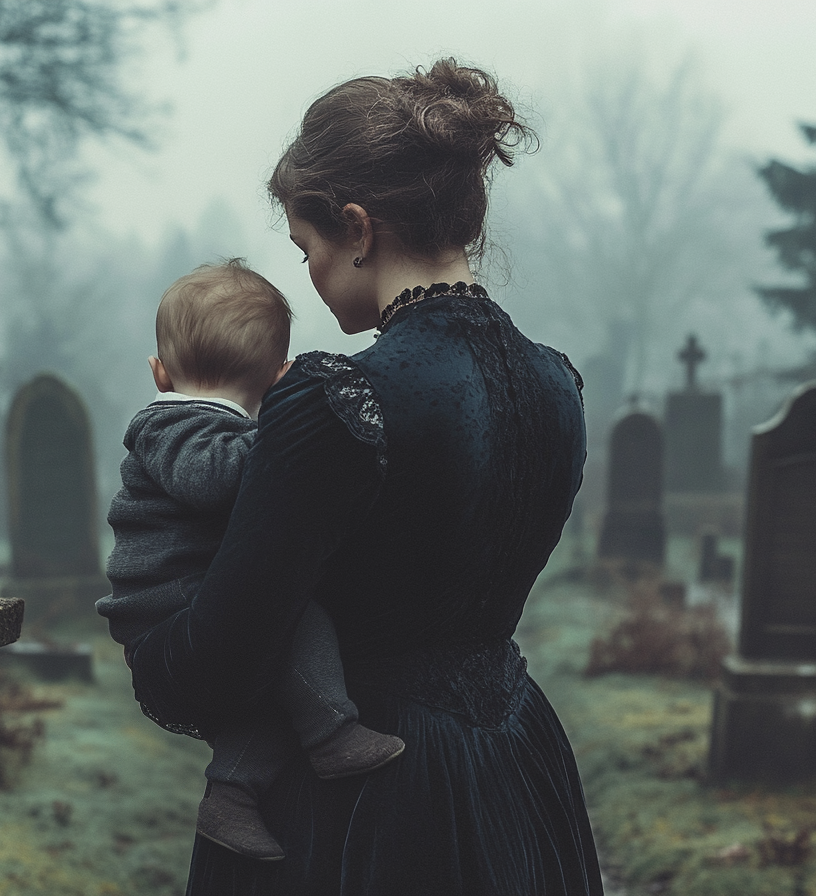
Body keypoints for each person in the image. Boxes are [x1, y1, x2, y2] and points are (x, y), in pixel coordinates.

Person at [126, 59, 604, 894]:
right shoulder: (556, 385)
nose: (306, 275)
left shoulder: (336, 400)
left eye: (306, 248)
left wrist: (149, 616)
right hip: (515, 769)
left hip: (355, 804)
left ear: (357, 228)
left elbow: (216, 662)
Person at [96, 260, 406, 862]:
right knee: (300, 617)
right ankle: (332, 730)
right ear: (280, 376)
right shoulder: (169, 423)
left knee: (266, 701)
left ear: (159, 369)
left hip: (189, 592)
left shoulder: (194, 417)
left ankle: (230, 797)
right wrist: (288, 437)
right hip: (164, 600)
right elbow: (209, 479)